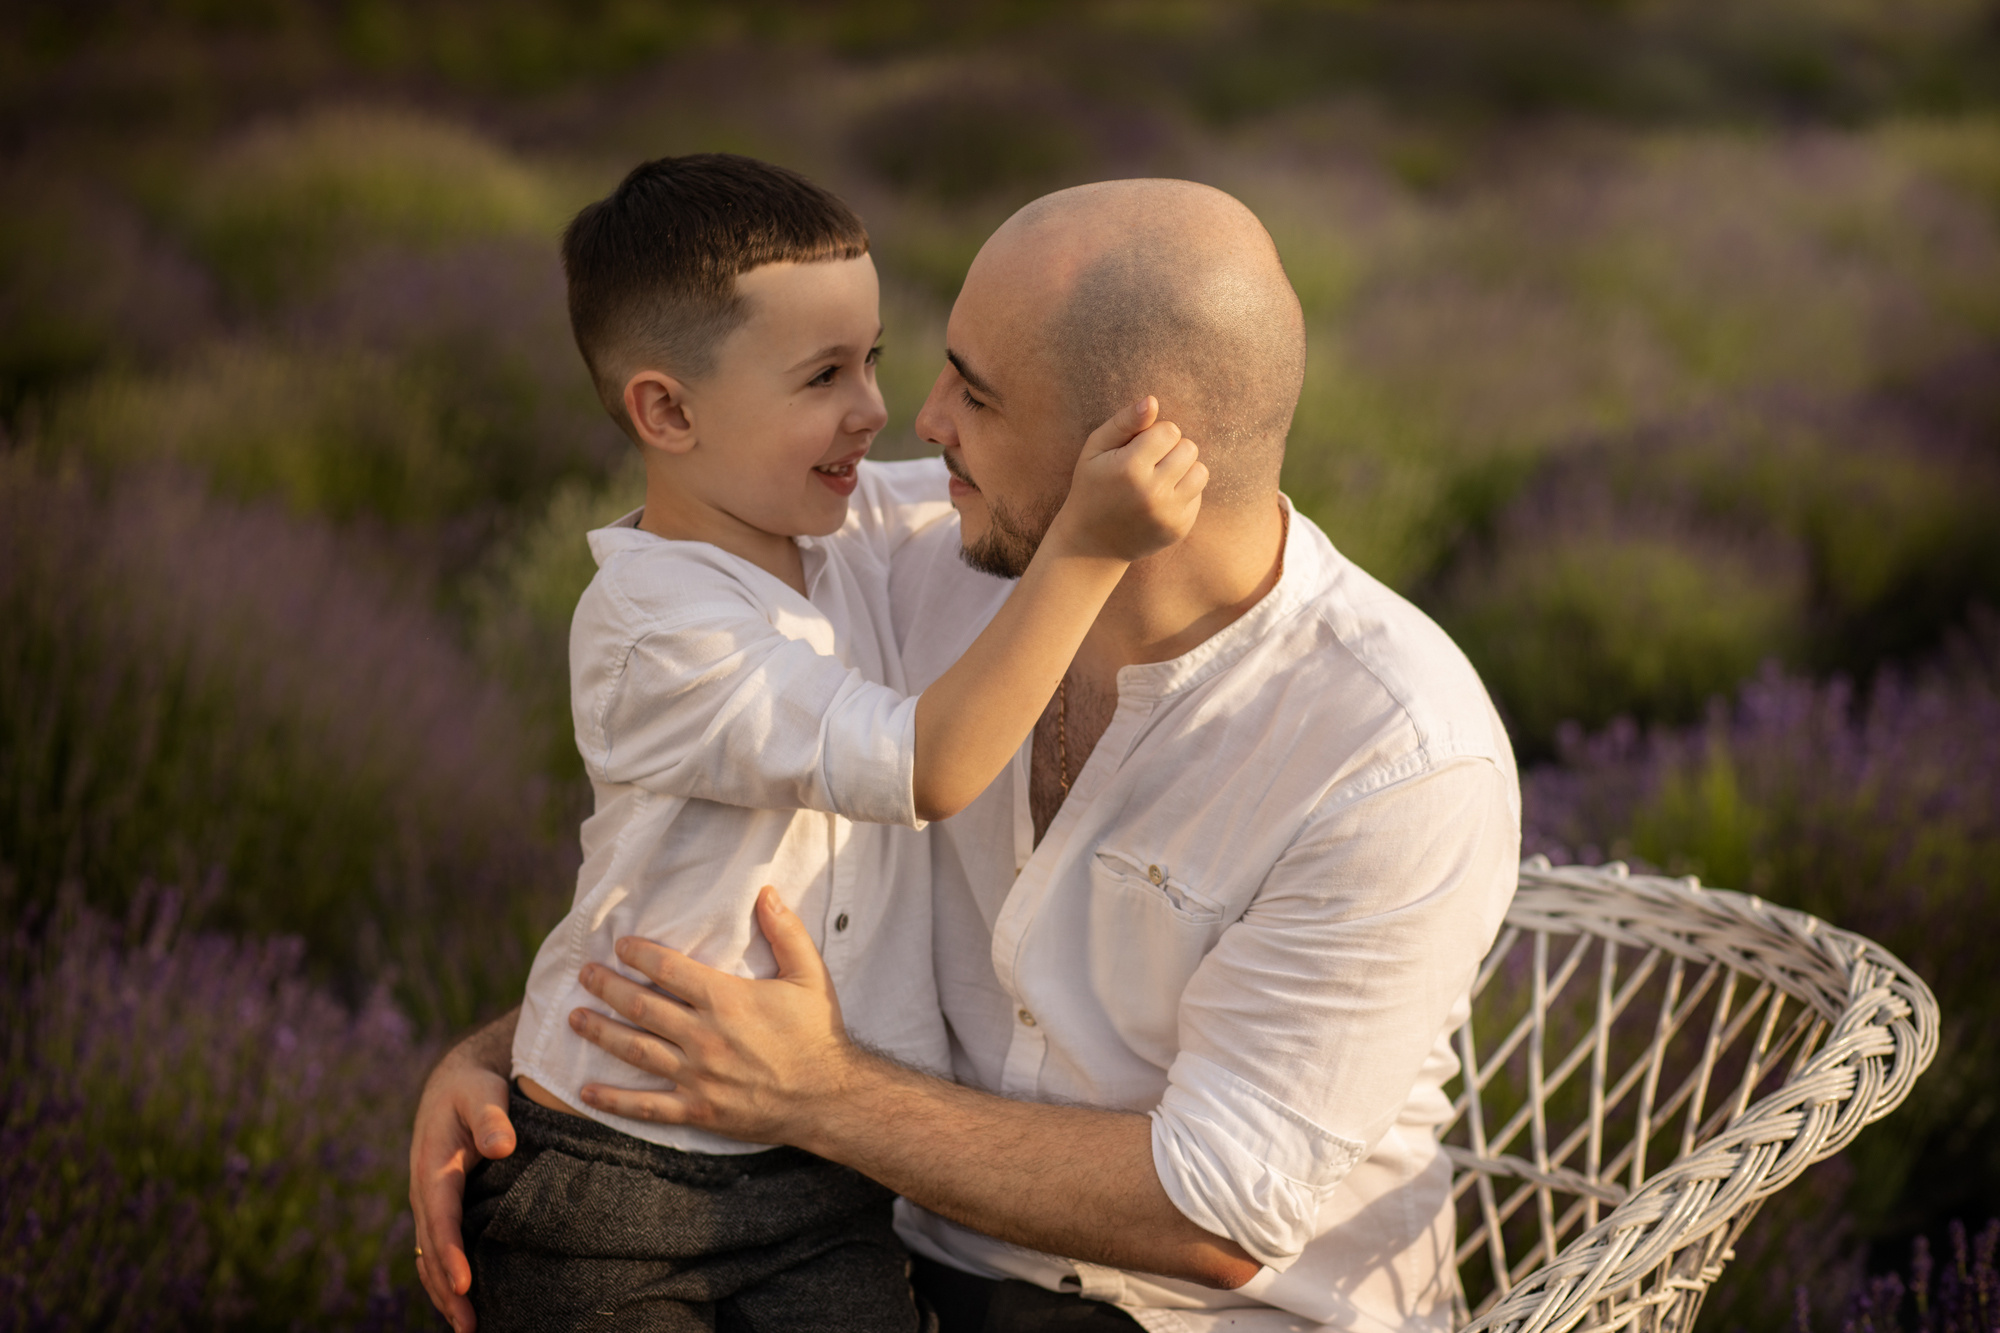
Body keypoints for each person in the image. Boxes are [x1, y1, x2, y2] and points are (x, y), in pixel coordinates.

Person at [414, 178, 1522, 1333]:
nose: (919, 419)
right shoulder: (897, 550)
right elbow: (702, 807)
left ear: (1134, 448)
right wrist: (511, 1058)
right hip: (880, 1247)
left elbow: (1215, 1215)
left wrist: (820, 1095)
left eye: (975, 394)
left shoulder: (1394, 753)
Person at [461, 154, 1206, 1333]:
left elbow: (999, 478)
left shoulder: (831, 521)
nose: (874, 409)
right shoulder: (655, 624)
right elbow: (928, 767)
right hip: (623, 1168)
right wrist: (1087, 548)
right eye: (820, 375)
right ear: (666, 410)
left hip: (826, 1167)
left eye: (869, 357)